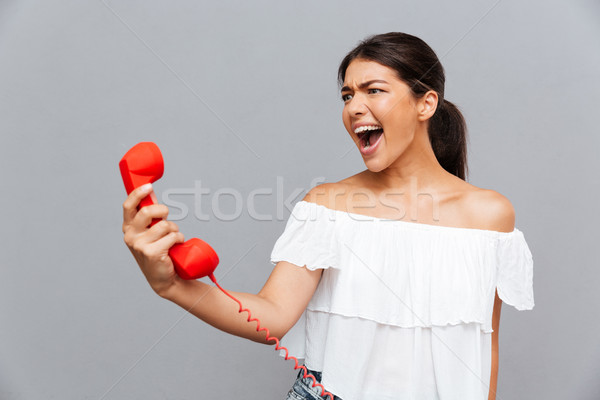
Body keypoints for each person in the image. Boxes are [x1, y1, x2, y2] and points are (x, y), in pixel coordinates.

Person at [121, 32, 535, 400]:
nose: (355, 107)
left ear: (426, 103)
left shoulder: (489, 216)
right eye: (347, 95)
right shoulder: (328, 205)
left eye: (373, 90)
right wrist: (171, 286)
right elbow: (272, 315)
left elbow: (484, 345)